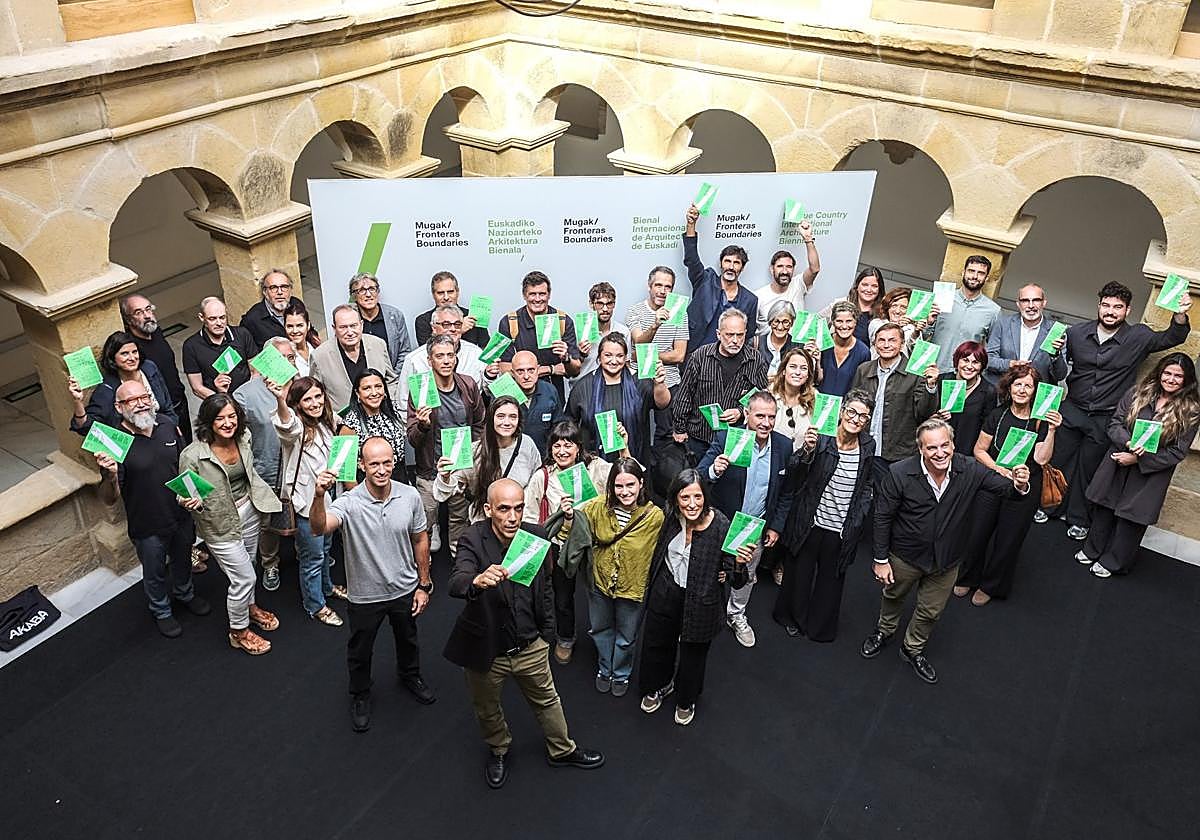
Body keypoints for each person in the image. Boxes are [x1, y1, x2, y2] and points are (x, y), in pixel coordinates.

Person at [444, 478, 605, 788]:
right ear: (489, 509)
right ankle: (499, 748)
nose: (512, 517)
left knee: (548, 700)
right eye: (504, 509)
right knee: (487, 707)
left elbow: (546, 586)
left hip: (530, 644)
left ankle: (562, 750)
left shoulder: (535, 535)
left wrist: (546, 635)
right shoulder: (472, 539)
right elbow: (457, 580)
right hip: (486, 647)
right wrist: (477, 580)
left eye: (518, 508)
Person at [862, 419, 1031, 684]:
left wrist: (1020, 484)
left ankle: (912, 648)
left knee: (930, 611)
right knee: (894, 596)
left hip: (947, 559)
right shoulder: (899, 473)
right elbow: (882, 517)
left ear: (953, 444)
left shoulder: (970, 469)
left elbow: (1008, 491)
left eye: (945, 445)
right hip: (906, 555)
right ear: (921, 449)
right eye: (932, 448)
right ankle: (884, 631)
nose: (940, 453)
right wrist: (881, 559)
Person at [311, 437, 436, 732]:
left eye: (387, 462)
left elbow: (420, 538)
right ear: (362, 465)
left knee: (408, 639)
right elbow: (318, 528)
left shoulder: (409, 496)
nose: (382, 470)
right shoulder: (349, 503)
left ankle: (410, 676)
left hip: (404, 588)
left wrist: (424, 584)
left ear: (395, 461)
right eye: (374, 464)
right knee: (360, 650)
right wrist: (318, 496)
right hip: (365, 596)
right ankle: (360, 694)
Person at [1054, 281, 1190, 540]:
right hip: (1072, 409)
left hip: (1106, 416)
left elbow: (1173, 337)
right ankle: (1049, 507)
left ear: (1128, 310)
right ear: (1098, 306)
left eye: (1118, 307)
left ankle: (1079, 519)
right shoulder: (1076, 334)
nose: (1110, 311)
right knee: (1059, 462)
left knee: (1089, 470)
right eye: (1106, 305)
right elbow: (1062, 368)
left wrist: (1180, 314)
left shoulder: (1138, 336)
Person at [92, 380, 210, 637]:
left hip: (180, 515)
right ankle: (162, 611)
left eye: (144, 396)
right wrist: (110, 475)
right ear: (118, 406)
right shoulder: (115, 444)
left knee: (183, 560)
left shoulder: (168, 425)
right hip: (147, 524)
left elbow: (184, 467)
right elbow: (109, 498)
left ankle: (185, 593)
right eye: (132, 400)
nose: (141, 403)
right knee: (155, 572)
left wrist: (194, 497)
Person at [638, 469, 751, 726]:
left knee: (693, 654)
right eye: (685, 496)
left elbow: (737, 580)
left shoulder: (721, 525)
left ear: (705, 497)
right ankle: (658, 685)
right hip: (666, 590)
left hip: (702, 600)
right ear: (676, 498)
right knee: (657, 643)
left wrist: (739, 564)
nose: (692, 504)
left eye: (697, 497)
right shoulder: (670, 516)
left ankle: (685, 699)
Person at [1077, 353, 1200, 578]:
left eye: (1178, 376)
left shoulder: (1190, 411)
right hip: (1119, 459)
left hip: (1151, 472)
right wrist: (1127, 443)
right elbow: (1115, 422)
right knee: (1104, 507)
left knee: (1131, 519)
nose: (1171, 379)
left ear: (1187, 379)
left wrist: (1138, 459)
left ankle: (1114, 562)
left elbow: (1177, 451)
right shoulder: (1137, 393)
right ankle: (1092, 549)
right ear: (1160, 372)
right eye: (1168, 373)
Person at [178, 394, 282, 655]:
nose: (228, 423)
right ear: (208, 422)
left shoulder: (243, 437)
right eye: (220, 418)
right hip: (219, 524)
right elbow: (184, 492)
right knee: (244, 578)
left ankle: (250, 607)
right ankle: (239, 631)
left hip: (249, 512)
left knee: (250, 564)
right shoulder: (192, 455)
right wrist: (187, 501)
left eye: (232, 416)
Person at [774, 389, 875, 641]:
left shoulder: (868, 445)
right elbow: (794, 471)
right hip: (812, 520)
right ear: (841, 412)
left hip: (841, 526)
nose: (856, 419)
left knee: (831, 582)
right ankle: (794, 618)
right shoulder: (821, 438)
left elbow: (866, 483)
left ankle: (820, 628)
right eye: (852, 412)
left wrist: (860, 514)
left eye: (863, 416)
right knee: (800, 573)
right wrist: (807, 450)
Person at [696, 391, 795, 649]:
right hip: (720, 523)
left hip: (754, 526)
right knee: (707, 572)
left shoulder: (783, 446)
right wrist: (713, 470)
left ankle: (736, 614)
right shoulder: (727, 438)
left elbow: (786, 493)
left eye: (771, 417)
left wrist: (775, 526)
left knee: (746, 576)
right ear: (747, 414)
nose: (766, 422)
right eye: (760, 415)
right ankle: (699, 615)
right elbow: (697, 477)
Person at [955, 363, 1059, 604]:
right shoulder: (997, 415)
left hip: (1024, 486)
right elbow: (979, 450)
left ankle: (991, 585)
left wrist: (1052, 430)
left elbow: (1042, 459)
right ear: (1009, 387)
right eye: (1018, 384)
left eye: (1028, 386)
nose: (1022, 390)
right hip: (993, 480)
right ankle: (967, 577)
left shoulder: (1041, 420)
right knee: (977, 532)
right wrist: (999, 469)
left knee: (1008, 539)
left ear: (1035, 391)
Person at [559, 458, 664, 696]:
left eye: (630, 485)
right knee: (600, 628)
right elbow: (572, 536)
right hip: (600, 581)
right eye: (618, 486)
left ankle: (621, 673)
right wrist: (567, 517)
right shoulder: (596, 507)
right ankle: (605, 668)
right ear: (610, 486)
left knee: (627, 636)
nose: (624, 492)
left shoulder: (655, 517)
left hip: (633, 585)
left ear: (641, 484)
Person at [522, 420, 614, 666]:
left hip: (595, 545)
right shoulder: (542, 477)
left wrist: (623, 448)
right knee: (563, 598)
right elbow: (529, 517)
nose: (562, 451)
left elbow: (625, 478)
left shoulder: (594, 467)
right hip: (561, 547)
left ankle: (606, 639)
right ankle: (565, 638)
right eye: (557, 445)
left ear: (579, 447)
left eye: (569, 445)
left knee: (600, 594)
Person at [270, 374, 349, 626]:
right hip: (305, 505)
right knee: (312, 558)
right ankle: (315, 605)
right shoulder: (297, 429)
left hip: (328, 502)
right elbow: (286, 425)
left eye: (318, 396)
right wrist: (281, 401)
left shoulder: (325, 422)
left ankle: (326, 588)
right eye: (307, 399)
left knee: (325, 551)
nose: (314, 403)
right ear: (298, 404)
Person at [407, 337, 487, 552]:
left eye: (450, 355)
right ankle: (424, 570)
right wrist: (423, 425)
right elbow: (413, 440)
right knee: (425, 523)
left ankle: (458, 560)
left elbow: (480, 422)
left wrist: (471, 451)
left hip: (460, 468)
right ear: (429, 360)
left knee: (459, 521)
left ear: (456, 359)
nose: (445, 361)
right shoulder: (421, 389)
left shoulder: (468, 384)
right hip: (430, 469)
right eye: (439, 356)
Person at [433, 395, 541, 544]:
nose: (507, 422)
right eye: (501, 416)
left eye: (513, 417)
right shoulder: (474, 450)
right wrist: (445, 476)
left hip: (518, 526)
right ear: (491, 419)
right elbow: (445, 493)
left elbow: (536, 485)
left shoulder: (527, 445)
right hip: (485, 529)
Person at [671, 308, 768, 464]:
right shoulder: (700, 356)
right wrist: (679, 428)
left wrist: (740, 412)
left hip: (735, 439)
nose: (735, 340)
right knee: (698, 483)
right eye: (729, 335)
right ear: (718, 334)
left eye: (740, 335)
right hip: (699, 437)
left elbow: (761, 397)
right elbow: (685, 394)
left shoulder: (755, 360)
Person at [232, 336, 290, 592]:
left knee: (300, 515)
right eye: (281, 358)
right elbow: (237, 437)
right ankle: (270, 564)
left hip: (298, 465)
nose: (288, 363)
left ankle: (305, 554)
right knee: (267, 523)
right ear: (266, 362)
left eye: (290, 358)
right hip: (266, 468)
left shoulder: (299, 384)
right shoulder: (245, 394)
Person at [849, 322, 938, 482]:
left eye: (892, 340)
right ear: (875, 344)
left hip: (897, 454)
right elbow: (852, 405)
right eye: (881, 340)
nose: (886, 345)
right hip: (862, 448)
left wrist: (930, 386)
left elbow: (924, 414)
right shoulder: (863, 369)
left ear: (902, 343)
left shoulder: (915, 374)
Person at [566, 332, 670, 468]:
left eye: (619, 356)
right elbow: (568, 423)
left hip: (635, 461)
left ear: (626, 358)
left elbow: (662, 404)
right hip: (595, 466)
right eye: (608, 355)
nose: (614, 361)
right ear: (599, 357)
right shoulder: (583, 387)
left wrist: (659, 383)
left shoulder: (639, 383)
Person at [626, 266, 689, 454]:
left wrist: (647, 355)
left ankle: (664, 476)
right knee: (636, 428)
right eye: (658, 285)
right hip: (641, 378)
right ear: (649, 286)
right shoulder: (635, 311)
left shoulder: (680, 313)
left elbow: (679, 355)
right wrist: (655, 325)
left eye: (668, 287)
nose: (662, 291)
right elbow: (638, 342)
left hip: (670, 380)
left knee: (668, 435)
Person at [682, 203, 759, 348]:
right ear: (721, 264)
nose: (731, 266)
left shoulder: (750, 300)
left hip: (729, 360)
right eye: (727, 261)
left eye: (736, 263)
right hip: (696, 355)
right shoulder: (704, 280)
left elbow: (748, 335)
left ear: (742, 268)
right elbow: (691, 259)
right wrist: (691, 225)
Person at [497, 270, 581, 400]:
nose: (537, 299)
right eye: (532, 294)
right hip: (519, 398)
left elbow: (574, 370)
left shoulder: (563, 321)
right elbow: (504, 368)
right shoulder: (509, 322)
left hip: (554, 397)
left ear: (549, 295)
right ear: (524, 295)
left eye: (542, 294)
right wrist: (550, 369)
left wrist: (566, 358)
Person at [69, 331, 176, 432]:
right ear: (112, 357)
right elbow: (85, 426)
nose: (132, 358)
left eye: (134, 352)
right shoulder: (107, 390)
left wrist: (173, 426)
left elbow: (167, 405)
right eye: (124, 354)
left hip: (163, 431)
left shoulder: (149, 368)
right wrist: (78, 401)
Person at [121, 292, 191, 443]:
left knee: (188, 448)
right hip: (160, 413)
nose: (147, 316)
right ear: (129, 320)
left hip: (179, 403)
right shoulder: (132, 348)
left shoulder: (156, 331)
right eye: (139, 312)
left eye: (148, 309)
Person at [398, 304, 492, 414]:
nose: (452, 329)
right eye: (446, 324)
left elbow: (490, 393)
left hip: (468, 424)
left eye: (457, 324)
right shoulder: (415, 360)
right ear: (433, 328)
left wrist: (490, 376)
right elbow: (403, 404)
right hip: (429, 426)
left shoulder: (475, 354)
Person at [309, 304, 400, 414]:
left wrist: (389, 406)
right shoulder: (320, 356)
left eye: (353, 326)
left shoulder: (378, 344)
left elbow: (391, 380)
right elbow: (315, 394)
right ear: (334, 328)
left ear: (361, 325)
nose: (350, 332)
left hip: (380, 417)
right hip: (343, 424)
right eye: (343, 327)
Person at [984, 283, 1068, 386]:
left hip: (1034, 396)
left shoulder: (1055, 331)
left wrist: (1056, 355)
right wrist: (1010, 364)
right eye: (1025, 301)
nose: (1031, 306)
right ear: (1018, 304)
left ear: (1044, 303)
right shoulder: (1003, 324)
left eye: (1036, 300)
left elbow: (1060, 375)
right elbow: (988, 360)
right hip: (1002, 392)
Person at [929, 256, 1001, 373]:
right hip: (933, 369)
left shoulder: (993, 311)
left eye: (981, 273)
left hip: (965, 376)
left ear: (986, 278)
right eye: (971, 271)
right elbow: (923, 334)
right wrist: (929, 322)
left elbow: (993, 349)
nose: (975, 276)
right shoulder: (943, 298)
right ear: (963, 272)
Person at [339, 368, 410, 482]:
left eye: (378, 386)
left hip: (399, 480)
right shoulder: (348, 425)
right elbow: (346, 472)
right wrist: (357, 498)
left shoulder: (393, 411)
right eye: (367, 388)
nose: (374, 392)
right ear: (358, 393)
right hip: (369, 486)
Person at [182, 296, 258, 398]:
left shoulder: (242, 334)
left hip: (250, 395)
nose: (219, 323)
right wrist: (222, 400)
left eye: (222, 317)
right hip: (220, 402)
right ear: (201, 317)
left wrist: (251, 395)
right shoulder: (191, 346)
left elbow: (255, 370)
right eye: (212, 319)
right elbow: (197, 387)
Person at [933, 341, 994, 456]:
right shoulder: (942, 381)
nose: (969, 366)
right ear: (957, 361)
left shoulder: (988, 391)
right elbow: (924, 416)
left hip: (967, 455)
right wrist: (937, 417)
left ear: (982, 366)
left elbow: (986, 429)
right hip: (938, 450)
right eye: (965, 360)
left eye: (975, 362)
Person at [753, 235, 821, 337]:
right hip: (766, 350)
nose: (785, 271)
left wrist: (808, 239)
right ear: (772, 269)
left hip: (795, 348)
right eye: (780, 266)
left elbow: (814, 269)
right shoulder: (758, 296)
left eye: (789, 267)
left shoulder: (798, 284)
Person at [350, 272, 414, 370]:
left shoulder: (395, 315)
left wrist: (394, 378)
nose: (368, 294)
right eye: (362, 290)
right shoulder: (348, 319)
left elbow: (404, 351)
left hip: (392, 378)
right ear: (354, 295)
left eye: (372, 289)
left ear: (378, 291)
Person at [414, 270, 489, 348]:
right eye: (440, 293)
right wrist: (459, 329)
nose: (446, 297)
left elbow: (485, 347)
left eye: (450, 292)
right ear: (433, 295)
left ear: (457, 292)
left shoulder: (472, 316)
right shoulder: (423, 321)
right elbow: (426, 351)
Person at [509, 349, 564, 455]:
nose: (526, 376)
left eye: (531, 370)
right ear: (512, 373)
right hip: (513, 458)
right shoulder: (503, 395)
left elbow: (558, 428)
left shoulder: (549, 391)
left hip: (545, 456)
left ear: (538, 370)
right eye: (520, 371)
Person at [576, 282, 631, 379]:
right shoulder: (579, 332)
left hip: (612, 387)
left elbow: (626, 365)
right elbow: (570, 370)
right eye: (600, 304)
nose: (605, 309)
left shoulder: (623, 331)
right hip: (583, 388)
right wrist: (581, 355)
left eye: (609, 304)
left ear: (614, 304)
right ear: (591, 304)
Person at [818, 301, 871, 396]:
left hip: (846, 408)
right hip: (818, 404)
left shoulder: (863, 352)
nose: (844, 326)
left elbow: (861, 388)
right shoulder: (823, 345)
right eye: (839, 321)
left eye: (849, 321)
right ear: (833, 322)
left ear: (855, 322)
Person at [770, 346, 817, 448]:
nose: (798, 372)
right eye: (793, 366)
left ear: (808, 374)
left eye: (804, 368)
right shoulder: (769, 396)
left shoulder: (815, 399)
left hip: (804, 461)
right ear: (783, 370)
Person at [825, 266, 884, 344]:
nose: (869, 290)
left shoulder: (883, 314)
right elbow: (816, 321)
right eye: (865, 285)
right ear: (857, 286)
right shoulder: (839, 303)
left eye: (874, 286)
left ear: (879, 289)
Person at [239, 269, 297, 348]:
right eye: (273, 288)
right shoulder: (252, 319)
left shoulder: (296, 304)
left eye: (284, 287)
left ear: (290, 290)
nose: (280, 292)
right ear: (265, 292)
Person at [868, 287, 929, 356]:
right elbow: (881, 334)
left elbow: (915, 351)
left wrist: (916, 330)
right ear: (888, 308)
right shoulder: (876, 323)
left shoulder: (911, 329)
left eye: (903, 307)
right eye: (894, 306)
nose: (897, 311)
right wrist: (898, 326)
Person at [758, 299, 800, 378]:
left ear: (792, 323)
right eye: (776, 321)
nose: (780, 327)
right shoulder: (756, 343)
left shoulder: (797, 346)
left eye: (785, 322)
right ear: (770, 322)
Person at [282, 298, 321, 378]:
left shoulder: (316, 344)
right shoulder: (282, 354)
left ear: (308, 325)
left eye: (299, 325)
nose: (295, 331)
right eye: (290, 326)